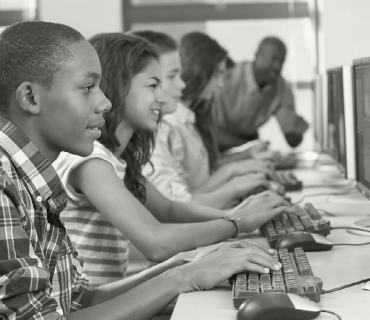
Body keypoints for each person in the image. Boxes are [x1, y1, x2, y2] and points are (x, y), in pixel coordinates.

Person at [0, 21, 286, 320]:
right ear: (30, 98)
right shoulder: (6, 183)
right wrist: (186, 274)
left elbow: (77, 299)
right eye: (87, 88)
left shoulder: (35, 181)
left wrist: (184, 265)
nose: (105, 102)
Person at [53, 32, 294, 286]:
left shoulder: (119, 160)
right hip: (95, 304)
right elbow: (156, 243)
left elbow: (170, 209)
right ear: (119, 85)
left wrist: (237, 214)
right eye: (152, 85)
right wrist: (236, 222)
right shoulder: (91, 161)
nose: (163, 97)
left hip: (110, 296)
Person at [136, 31, 272, 208]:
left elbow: (180, 198)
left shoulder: (187, 118)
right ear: (200, 71)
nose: (222, 84)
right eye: (218, 75)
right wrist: (235, 195)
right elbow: (178, 204)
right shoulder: (170, 122)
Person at [214, 36, 309, 151]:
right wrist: (250, 144)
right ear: (257, 55)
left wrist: (298, 131)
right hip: (217, 142)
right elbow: (205, 131)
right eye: (273, 59)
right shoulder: (227, 78)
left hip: (249, 144)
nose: (278, 67)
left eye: (282, 61)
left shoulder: (282, 88)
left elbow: (292, 141)